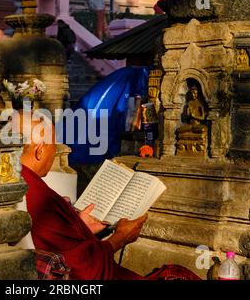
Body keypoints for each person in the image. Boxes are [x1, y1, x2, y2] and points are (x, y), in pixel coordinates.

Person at [14, 110, 200, 280]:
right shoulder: (36, 194)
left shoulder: (17, 181)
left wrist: (81, 225)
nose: (55, 152)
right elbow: (80, 269)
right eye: (53, 146)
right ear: (39, 151)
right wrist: (119, 239)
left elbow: (58, 241)